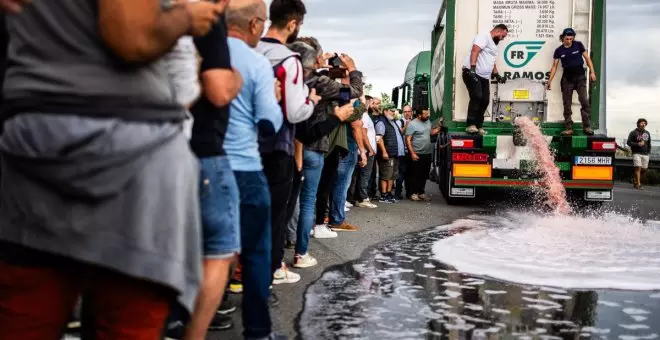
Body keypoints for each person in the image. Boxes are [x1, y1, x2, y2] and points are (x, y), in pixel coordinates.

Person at [0, 0, 225, 338]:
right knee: (124, 323)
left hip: (32, 139)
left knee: (25, 315)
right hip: (133, 153)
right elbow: (130, 37)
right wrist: (187, 17)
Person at [224, 0, 288, 338]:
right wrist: (276, 99)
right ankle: (257, 329)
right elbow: (269, 122)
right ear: (253, 25)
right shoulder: (256, 63)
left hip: (200, 165)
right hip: (245, 167)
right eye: (262, 23)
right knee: (257, 250)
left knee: (206, 248)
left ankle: (185, 319)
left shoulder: (200, 53)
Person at [255, 0, 319, 288]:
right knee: (274, 218)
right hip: (277, 145)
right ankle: (267, 277)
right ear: (292, 24)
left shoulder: (251, 50)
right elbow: (294, 112)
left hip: (246, 144)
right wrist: (311, 101)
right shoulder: (288, 59)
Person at [288, 39, 363, 268]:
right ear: (315, 58)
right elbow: (353, 94)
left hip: (291, 143)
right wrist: (351, 69)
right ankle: (301, 253)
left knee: (290, 200)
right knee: (308, 200)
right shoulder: (320, 82)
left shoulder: (292, 78)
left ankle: (286, 241)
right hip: (316, 145)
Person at [547, 27, 597, 136]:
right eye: (567, 39)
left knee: (584, 101)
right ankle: (569, 127)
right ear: (563, 38)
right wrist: (549, 81)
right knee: (567, 104)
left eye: (571, 39)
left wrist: (592, 72)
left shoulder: (578, 45)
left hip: (580, 77)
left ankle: (587, 126)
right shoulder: (559, 50)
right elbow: (554, 66)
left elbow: (587, 59)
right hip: (567, 79)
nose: (569, 41)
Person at [462, 24, 508, 135]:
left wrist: (497, 75)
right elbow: (475, 51)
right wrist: (472, 69)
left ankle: (478, 126)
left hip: (484, 76)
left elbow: (491, 61)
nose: (502, 39)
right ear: (498, 31)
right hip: (472, 72)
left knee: (485, 100)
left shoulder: (493, 45)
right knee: (477, 96)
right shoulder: (484, 36)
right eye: (502, 36)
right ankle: (470, 125)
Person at [405, 107, 441, 201]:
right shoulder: (413, 124)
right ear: (419, 115)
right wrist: (412, 153)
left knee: (424, 174)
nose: (427, 115)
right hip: (417, 153)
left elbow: (431, 132)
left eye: (427, 113)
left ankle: (421, 192)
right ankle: (413, 193)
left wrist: (439, 127)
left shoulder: (428, 122)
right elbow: (408, 139)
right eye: (425, 114)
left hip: (427, 153)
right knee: (415, 174)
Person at [375, 104, 406, 203]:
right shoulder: (381, 122)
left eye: (394, 111)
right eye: (391, 111)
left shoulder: (392, 122)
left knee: (393, 175)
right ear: (385, 111)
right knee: (386, 175)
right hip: (388, 154)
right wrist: (384, 152)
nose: (393, 112)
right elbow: (379, 139)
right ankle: (383, 196)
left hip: (395, 154)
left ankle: (389, 194)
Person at [627, 118, 652, 190]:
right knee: (638, 168)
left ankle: (635, 180)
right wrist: (637, 144)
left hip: (645, 153)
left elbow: (649, 143)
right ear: (638, 124)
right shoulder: (633, 132)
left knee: (644, 169)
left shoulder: (647, 133)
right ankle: (638, 184)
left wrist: (649, 151)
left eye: (644, 123)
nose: (643, 124)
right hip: (636, 153)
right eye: (642, 123)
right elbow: (628, 142)